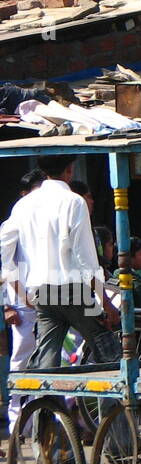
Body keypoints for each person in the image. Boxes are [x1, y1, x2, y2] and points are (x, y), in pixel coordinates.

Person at [3, 156, 118, 373]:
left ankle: (42, 402)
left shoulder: (24, 204)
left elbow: (4, 250)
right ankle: (130, 402)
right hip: (70, 289)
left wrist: (19, 292)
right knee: (104, 342)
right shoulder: (73, 201)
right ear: (69, 170)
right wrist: (107, 304)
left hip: (40, 291)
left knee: (46, 356)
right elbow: (86, 259)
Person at [1, 168, 46, 429]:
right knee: (21, 360)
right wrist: (9, 303)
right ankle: (18, 421)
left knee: (52, 360)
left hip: (47, 298)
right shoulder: (15, 221)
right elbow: (5, 264)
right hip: (22, 302)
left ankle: (43, 419)